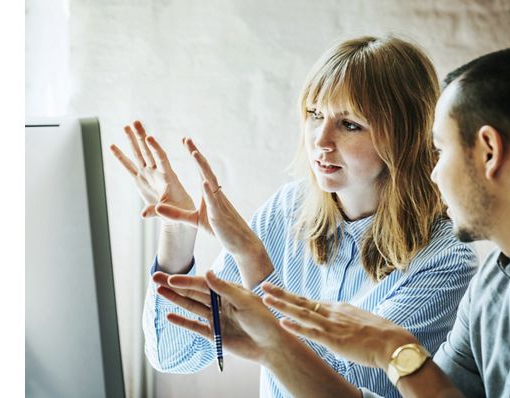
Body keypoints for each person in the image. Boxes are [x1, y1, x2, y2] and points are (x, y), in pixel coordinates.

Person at [158, 46, 510, 398]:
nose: (434, 171)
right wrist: (274, 347)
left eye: (441, 150)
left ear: (489, 152)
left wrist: (390, 351)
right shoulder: (496, 282)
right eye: (314, 116)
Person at [110, 35, 477, 398]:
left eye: (350, 124)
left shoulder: (445, 259)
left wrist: (254, 261)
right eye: (315, 115)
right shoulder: (287, 210)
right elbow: (175, 355)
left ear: (404, 136)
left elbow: (345, 387)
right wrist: (177, 229)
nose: (320, 140)